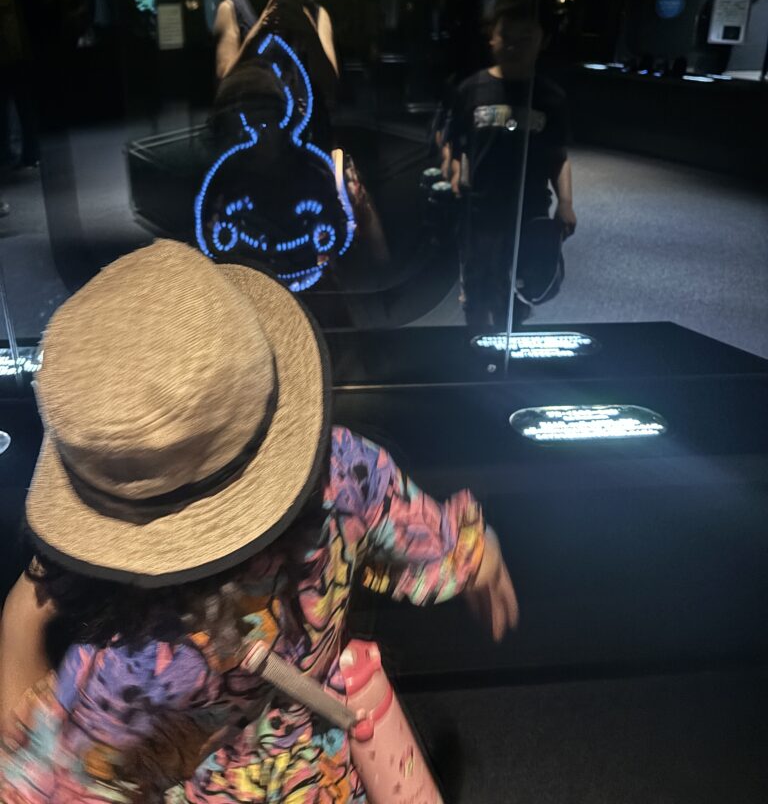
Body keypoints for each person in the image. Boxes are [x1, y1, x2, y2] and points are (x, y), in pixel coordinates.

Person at [0, 240, 517, 802]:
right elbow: (420, 531)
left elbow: (51, 780)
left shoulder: (144, 656)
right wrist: (475, 556)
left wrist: (17, 628)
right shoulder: (344, 470)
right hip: (325, 771)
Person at [443, 0, 576, 329]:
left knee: (519, 292)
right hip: (479, 210)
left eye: (525, 39)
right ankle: (475, 345)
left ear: (543, 41)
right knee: (476, 291)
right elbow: (454, 141)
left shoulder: (549, 97)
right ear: (492, 36)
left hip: (528, 212)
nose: (514, 46)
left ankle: (510, 342)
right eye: (507, 36)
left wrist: (566, 203)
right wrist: (455, 169)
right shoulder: (472, 90)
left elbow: (559, 157)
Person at [214, 0, 338, 152]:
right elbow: (223, 87)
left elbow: (332, 88)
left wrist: (308, 31)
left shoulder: (317, 15)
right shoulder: (232, 10)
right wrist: (260, 28)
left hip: (309, 145)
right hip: (253, 147)